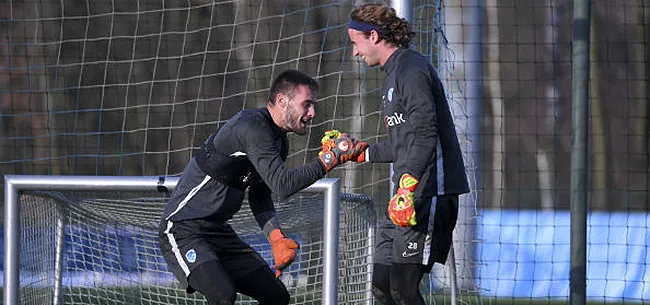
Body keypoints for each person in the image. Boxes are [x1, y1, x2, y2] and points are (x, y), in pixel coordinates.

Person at [157, 69, 366, 305]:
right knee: (222, 297)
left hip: (218, 232)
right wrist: (330, 159)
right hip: (184, 230)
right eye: (306, 104)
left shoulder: (279, 141)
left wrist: (275, 237)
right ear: (281, 100)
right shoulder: (252, 126)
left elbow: (261, 193)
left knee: (276, 296)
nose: (312, 113)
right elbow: (283, 186)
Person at [344, 4, 470, 305]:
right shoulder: (391, 75)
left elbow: (427, 134)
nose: (354, 53)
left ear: (372, 36)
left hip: (428, 194)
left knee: (403, 288)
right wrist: (362, 154)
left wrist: (408, 185)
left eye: (354, 43)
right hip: (404, 195)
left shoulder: (412, 69)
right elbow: (404, 143)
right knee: (381, 284)